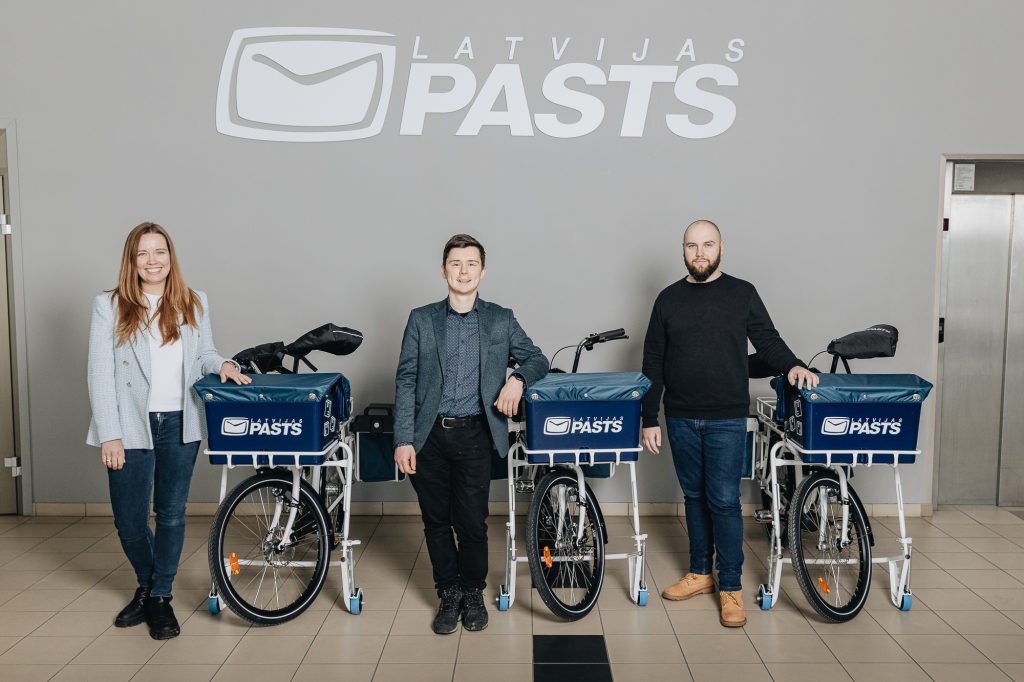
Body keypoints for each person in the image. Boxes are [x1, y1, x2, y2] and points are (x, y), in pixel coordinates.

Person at [640, 219, 818, 628]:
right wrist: (650, 417)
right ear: (682, 250)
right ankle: (700, 573)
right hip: (680, 416)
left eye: (707, 244)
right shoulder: (667, 300)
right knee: (694, 496)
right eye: (691, 245)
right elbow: (653, 363)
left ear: (722, 247)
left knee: (722, 498)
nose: (699, 252)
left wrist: (792, 365)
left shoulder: (742, 293)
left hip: (726, 417)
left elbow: (768, 341)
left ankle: (731, 587)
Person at [87, 222, 249, 640]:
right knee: (129, 520)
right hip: (129, 425)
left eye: (159, 252)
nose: (152, 260)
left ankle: (158, 597)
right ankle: (149, 584)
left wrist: (223, 365)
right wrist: (110, 433)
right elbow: (100, 374)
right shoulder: (109, 305)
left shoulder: (194, 301)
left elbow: (206, 353)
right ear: (132, 260)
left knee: (173, 514)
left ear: (170, 257)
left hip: (181, 421)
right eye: (143, 254)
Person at [394, 234, 548, 634]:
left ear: (483, 271)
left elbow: (537, 359)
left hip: (477, 435)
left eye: (471, 264)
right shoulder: (422, 319)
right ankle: (449, 593)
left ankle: (473, 591)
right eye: (456, 264)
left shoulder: (500, 318)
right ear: (443, 270)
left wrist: (517, 380)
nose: (463, 271)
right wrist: (403, 439)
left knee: (472, 522)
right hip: (428, 437)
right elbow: (406, 379)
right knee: (436, 521)